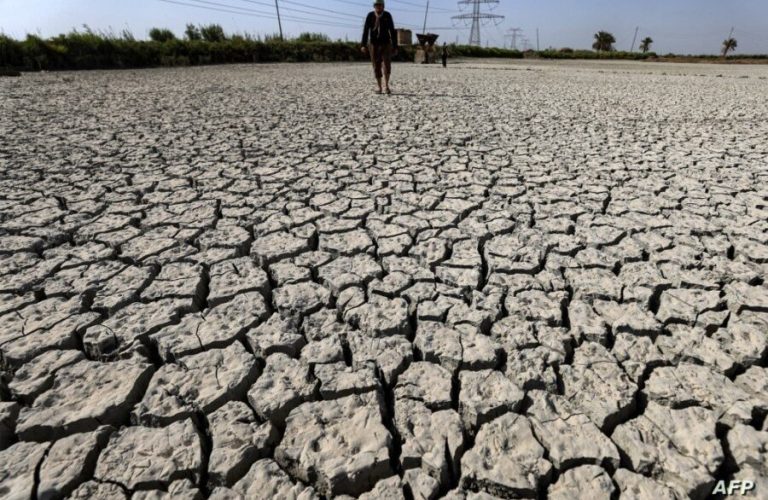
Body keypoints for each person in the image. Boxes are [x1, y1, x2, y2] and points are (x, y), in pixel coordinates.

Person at [361, 0, 398, 94]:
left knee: (386, 64)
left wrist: (395, 46)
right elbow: (365, 30)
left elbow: (392, 31)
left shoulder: (387, 15)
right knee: (376, 65)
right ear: (374, 6)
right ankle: (379, 87)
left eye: (380, 5)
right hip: (374, 44)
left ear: (383, 6)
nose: (378, 7)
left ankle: (387, 86)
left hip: (386, 43)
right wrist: (363, 44)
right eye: (376, 5)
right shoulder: (370, 16)